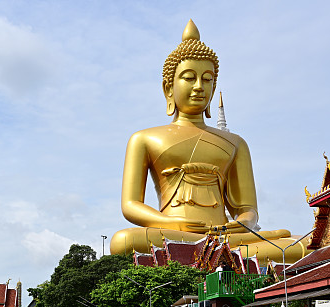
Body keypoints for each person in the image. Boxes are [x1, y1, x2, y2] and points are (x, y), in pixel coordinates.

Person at [110, 20, 309, 264]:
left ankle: (218, 254)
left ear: (214, 89)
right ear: (168, 88)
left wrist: (244, 222)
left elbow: (248, 209)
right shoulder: (144, 139)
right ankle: (215, 255)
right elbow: (130, 205)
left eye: (207, 79)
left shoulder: (235, 143)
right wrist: (171, 222)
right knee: (122, 241)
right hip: (174, 233)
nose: (198, 87)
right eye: (189, 78)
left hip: (224, 236)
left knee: (302, 243)